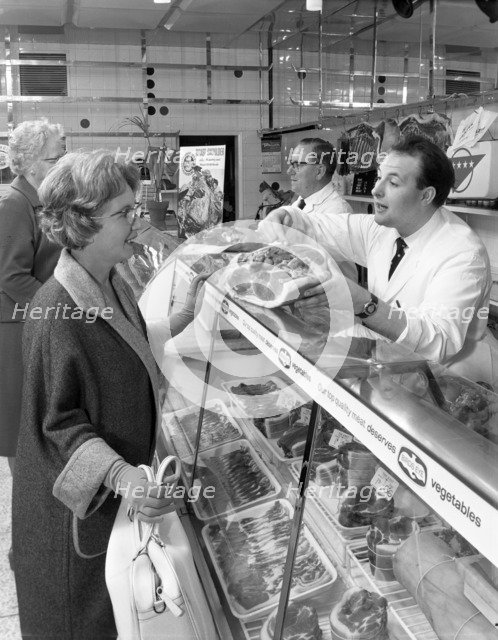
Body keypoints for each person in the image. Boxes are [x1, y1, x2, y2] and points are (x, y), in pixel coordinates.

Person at [12, 150, 206, 639]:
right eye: (123, 213)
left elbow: (127, 342)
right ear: (81, 224)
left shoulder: (109, 281)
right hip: (71, 520)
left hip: (104, 509)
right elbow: (55, 423)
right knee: (77, 622)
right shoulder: (55, 310)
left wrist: (179, 316)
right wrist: (123, 477)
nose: (136, 222)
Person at [261, 135, 495, 385]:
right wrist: (286, 215)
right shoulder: (383, 228)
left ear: (426, 195)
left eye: (392, 183)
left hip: (454, 382)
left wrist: (366, 304)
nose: (376, 189)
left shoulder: (462, 252)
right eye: (379, 177)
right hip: (394, 368)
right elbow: (319, 224)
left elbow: (438, 341)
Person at [0, 119, 65, 473]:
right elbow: (11, 276)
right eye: (57, 158)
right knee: (19, 426)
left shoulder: (39, 201)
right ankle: (28, 506)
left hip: (33, 322)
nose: (62, 165)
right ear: (32, 163)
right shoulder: (12, 202)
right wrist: (56, 310)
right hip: (17, 328)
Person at [286, 137, 357, 281]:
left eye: (297, 165)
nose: (289, 171)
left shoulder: (337, 211)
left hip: (331, 297)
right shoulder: (299, 203)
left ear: (319, 171)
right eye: (291, 164)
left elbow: (317, 264)